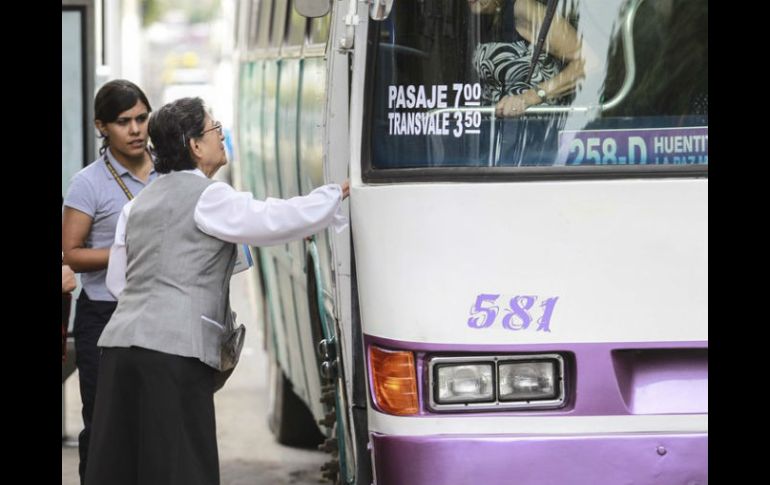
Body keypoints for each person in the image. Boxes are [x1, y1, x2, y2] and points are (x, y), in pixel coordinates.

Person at [85, 97, 350, 485]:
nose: (221, 135)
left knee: (126, 468)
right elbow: (272, 219)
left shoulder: (137, 205)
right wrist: (331, 197)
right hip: (175, 353)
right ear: (194, 145)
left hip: (120, 349)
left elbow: (119, 282)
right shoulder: (209, 197)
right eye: (214, 129)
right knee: (181, 467)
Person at [61, 79, 156, 484]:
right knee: (103, 425)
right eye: (123, 121)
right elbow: (72, 254)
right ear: (102, 126)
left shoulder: (170, 170)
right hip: (103, 316)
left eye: (141, 118)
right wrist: (127, 252)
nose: (135, 129)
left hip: (158, 314)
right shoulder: (88, 183)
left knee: (155, 426)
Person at [468, 0, 587, 117]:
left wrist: (531, 96)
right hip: (496, 128)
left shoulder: (523, 8)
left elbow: (585, 62)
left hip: (535, 126)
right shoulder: (485, 20)